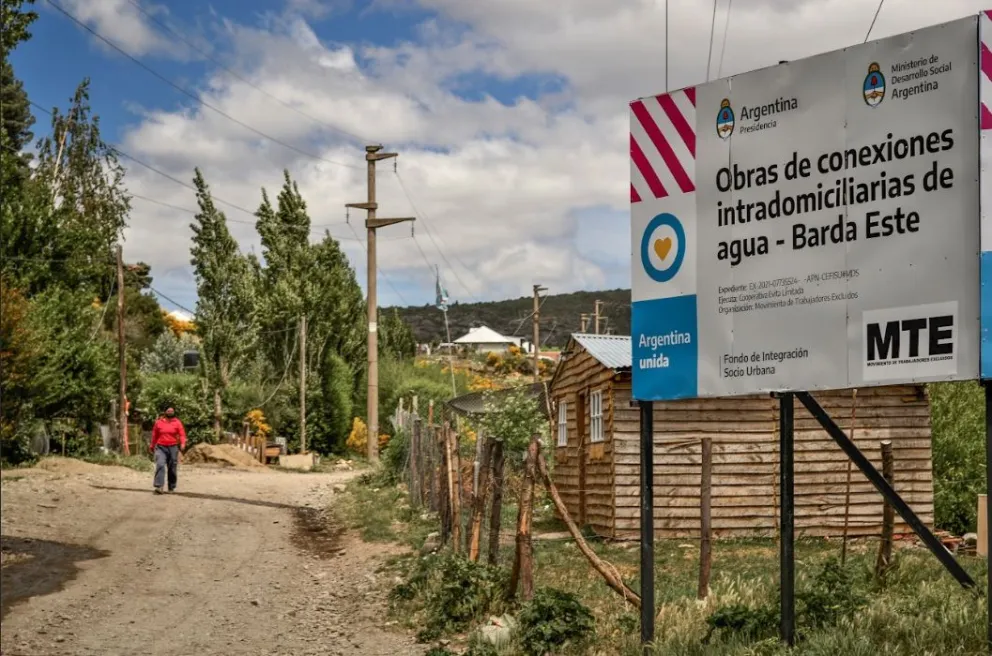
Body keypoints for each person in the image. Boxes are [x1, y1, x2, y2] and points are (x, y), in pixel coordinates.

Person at [150, 406, 187, 494]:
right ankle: (159, 486)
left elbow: (182, 434)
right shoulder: (159, 422)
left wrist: (182, 443)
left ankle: (171, 486)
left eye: (172, 411)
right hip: (161, 447)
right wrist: (152, 446)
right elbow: (155, 435)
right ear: (165, 412)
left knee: (172, 467)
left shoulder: (177, 422)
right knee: (160, 464)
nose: (170, 412)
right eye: (168, 411)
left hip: (173, 447)